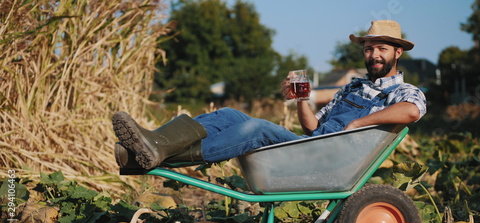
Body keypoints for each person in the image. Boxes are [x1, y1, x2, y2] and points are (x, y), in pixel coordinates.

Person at [112, 20, 426, 170]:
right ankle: (155, 143)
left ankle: (156, 157)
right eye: (369, 48)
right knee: (229, 114)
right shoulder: (352, 87)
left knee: (257, 128)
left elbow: (411, 112)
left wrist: (359, 124)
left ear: (397, 53)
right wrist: (302, 98)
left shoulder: (403, 92)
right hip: (314, 144)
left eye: (382, 49)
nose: (374, 55)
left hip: (329, 160)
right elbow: (312, 128)